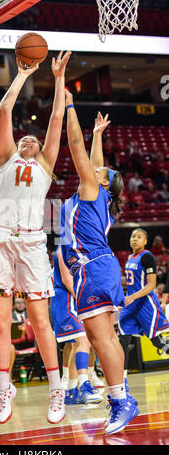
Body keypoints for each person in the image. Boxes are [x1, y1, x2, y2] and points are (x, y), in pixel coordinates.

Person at [0, 50, 72, 424]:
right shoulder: (6, 159)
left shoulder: (45, 166)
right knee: (0, 323)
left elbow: (55, 118)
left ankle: (56, 387)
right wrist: (21, 75)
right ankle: (4, 389)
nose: (29, 139)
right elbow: (4, 112)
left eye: (33, 140)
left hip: (32, 244)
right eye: (25, 139)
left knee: (40, 322)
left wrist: (59, 77)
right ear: (17, 147)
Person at [61, 96, 139, 435]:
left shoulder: (92, 188)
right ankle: (121, 397)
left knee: (101, 338)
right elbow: (95, 162)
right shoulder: (99, 192)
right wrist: (98, 135)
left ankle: (121, 401)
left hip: (93, 268)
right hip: (100, 267)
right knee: (101, 337)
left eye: (100, 171)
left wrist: (69, 109)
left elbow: (76, 148)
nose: (95, 168)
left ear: (103, 183)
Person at [51, 246, 103, 405]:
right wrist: (82, 299)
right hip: (66, 300)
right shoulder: (63, 250)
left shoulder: (81, 249)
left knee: (77, 345)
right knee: (83, 342)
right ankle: (84, 385)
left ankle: (72, 391)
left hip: (73, 299)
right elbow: (67, 280)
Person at [118, 229, 169, 374]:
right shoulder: (129, 258)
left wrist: (132, 297)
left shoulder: (147, 257)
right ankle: (122, 380)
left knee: (158, 343)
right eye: (133, 236)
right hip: (130, 305)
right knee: (123, 341)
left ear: (145, 241)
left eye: (139, 237)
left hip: (145, 304)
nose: (135, 239)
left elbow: (152, 285)